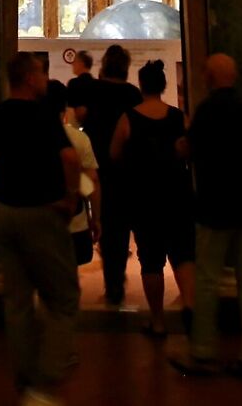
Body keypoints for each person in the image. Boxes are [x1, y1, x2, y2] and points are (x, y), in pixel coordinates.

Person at [0, 52, 82, 406]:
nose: (45, 79)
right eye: (41, 74)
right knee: (63, 299)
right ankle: (45, 386)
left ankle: (25, 381)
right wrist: (71, 198)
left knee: (17, 303)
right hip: (40, 213)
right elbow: (70, 158)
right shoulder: (43, 114)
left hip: (5, 213)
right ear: (30, 79)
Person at [170, 52, 242, 382]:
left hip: (214, 207)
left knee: (208, 280)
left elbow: (188, 149)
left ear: (209, 78)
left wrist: (183, 144)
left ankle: (203, 352)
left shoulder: (208, 111)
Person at [109, 59, 196, 339]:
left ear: (141, 85)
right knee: (183, 256)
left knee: (151, 260)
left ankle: (157, 321)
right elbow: (190, 150)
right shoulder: (178, 117)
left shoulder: (128, 118)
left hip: (144, 197)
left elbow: (114, 154)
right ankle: (192, 311)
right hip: (177, 196)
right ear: (163, 85)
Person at [80, 44, 141, 311]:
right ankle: (117, 274)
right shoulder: (132, 94)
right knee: (121, 222)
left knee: (102, 221)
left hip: (97, 164)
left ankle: (112, 278)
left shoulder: (93, 90)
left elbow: (84, 120)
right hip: (125, 168)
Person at [49, 81, 99, 271]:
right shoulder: (79, 139)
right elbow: (92, 181)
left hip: (39, 220)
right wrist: (96, 218)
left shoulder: (28, 135)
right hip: (74, 222)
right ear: (64, 108)